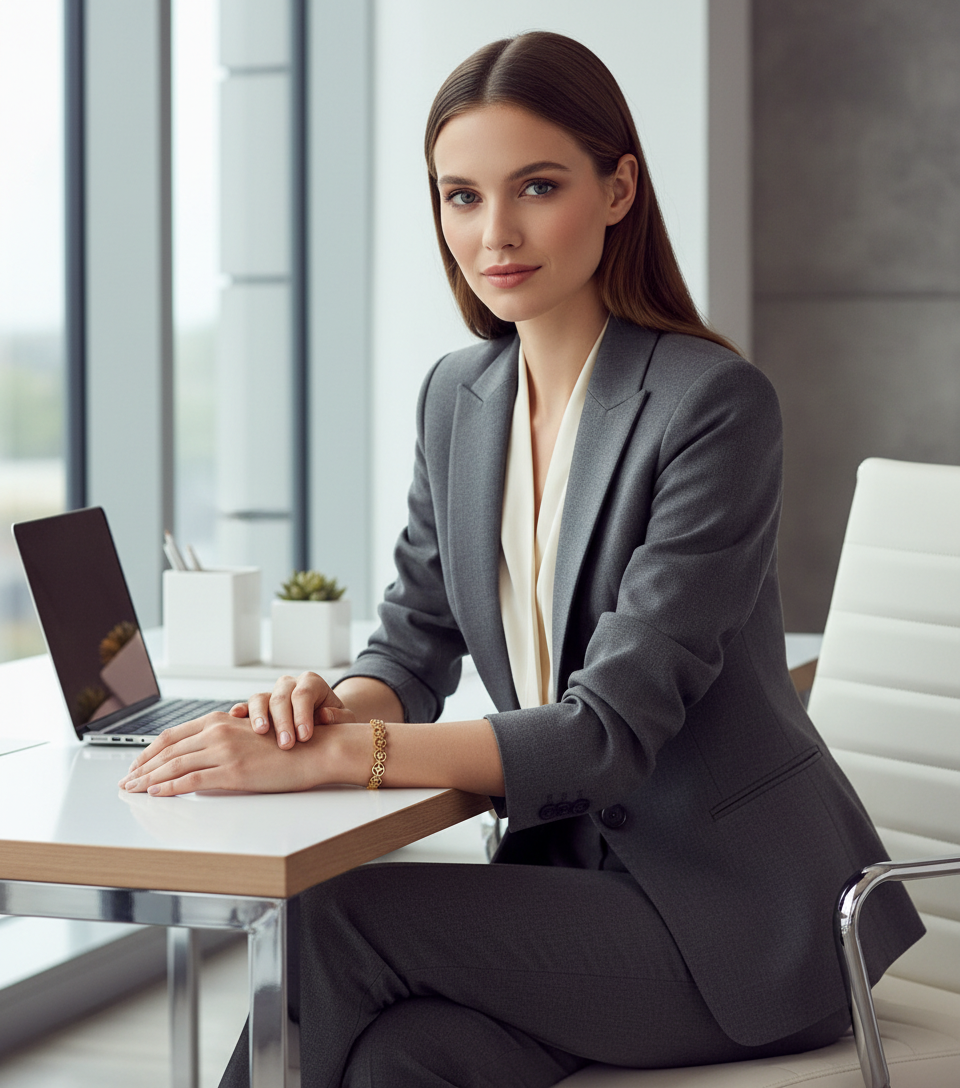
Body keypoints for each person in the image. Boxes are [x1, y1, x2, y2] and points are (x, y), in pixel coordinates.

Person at [120, 31, 923, 1088]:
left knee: (333, 917)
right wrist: (329, 711)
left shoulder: (713, 407)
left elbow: (605, 733)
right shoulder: (458, 398)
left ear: (617, 188)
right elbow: (412, 643)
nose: (493, 231)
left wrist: (341, 760)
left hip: (736, 920)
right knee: (396, 1061)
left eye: (536, 187)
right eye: (461, 196)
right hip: (572, 892)